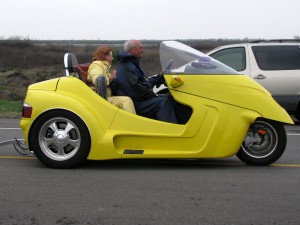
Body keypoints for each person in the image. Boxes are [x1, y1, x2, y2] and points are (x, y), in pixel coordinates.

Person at [113, 40, 178, 123]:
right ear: (132, 50)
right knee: (163, 102)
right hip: (136, 103)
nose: (142, 50)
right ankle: (171, 131)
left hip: (139, 100)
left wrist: (160, 77)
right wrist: (153, 95)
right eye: (140, 48)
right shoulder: (128, 67)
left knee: (168, 97)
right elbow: (137, 89)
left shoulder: (130, 64)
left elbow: (145, 82)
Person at [87, 45, 136, 114]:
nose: (112, 58)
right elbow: (98, 80)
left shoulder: (104, 67)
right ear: (105, 56)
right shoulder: (96, 64)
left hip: (105, 97)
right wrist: (112, 76)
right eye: (111, 55)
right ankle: (131, 123)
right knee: (126, 101)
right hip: (99, 99)